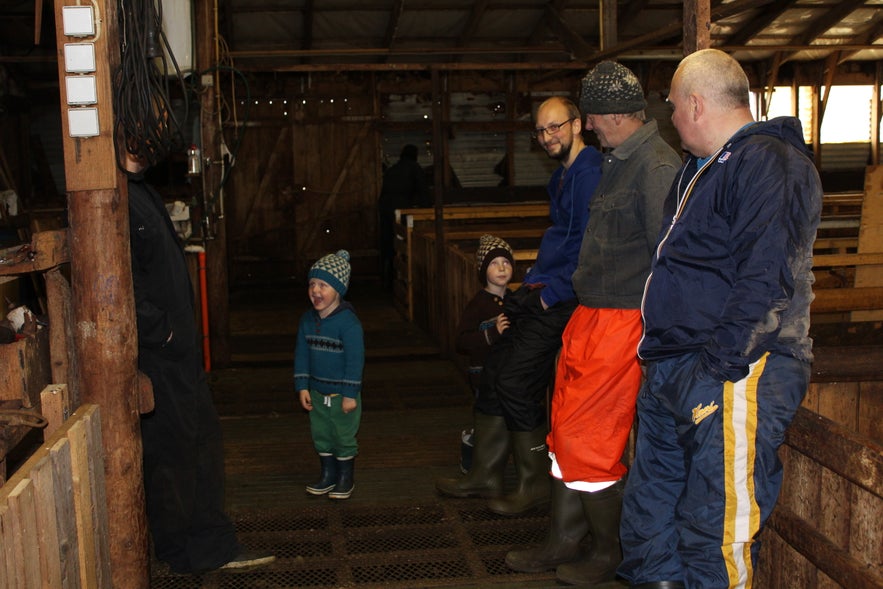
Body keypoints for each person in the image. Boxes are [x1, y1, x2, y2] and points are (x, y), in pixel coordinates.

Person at [612, 49, 822, 589]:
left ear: (696, 104)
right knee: (652, 508)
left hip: (730, 368)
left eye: (673, 108)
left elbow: (766, 276)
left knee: (715, 519)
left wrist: (718, 366)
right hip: (671, 361)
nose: (671, 120)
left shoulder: (768, 163)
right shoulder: (698, 171)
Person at [505, 62, 682, 586]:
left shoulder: (654, 167)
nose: (589, 127)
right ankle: (564, 538)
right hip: (591, 312)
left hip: (623, 319)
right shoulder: (616, 161)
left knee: (592, 438)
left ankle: (609, 550)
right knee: (564, 428)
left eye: (591, 117)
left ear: (611, 116)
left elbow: (666, 258)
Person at [436, 96, 602, 516]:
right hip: (544, 287)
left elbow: (587, 245)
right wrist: (531, 284)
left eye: (555, 127)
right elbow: (561, 240)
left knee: (514, 377)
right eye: (542, 131)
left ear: (578, 124)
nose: (548, 137)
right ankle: (485, 473)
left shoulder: (589, 174)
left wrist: (548, 294)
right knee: (494, 368)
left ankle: (534, 483)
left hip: (564, 297)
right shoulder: (562, 178)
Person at [125, 149, 276, 574]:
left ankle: (203, 543)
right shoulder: (117, 198)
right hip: (160, 355)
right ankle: (189, 551)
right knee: (176, 451)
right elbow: (123, 282)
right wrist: (163, 332)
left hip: (176, 352)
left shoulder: (142, 191)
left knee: (200, 444)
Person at [295, 250, 365, 500]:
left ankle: (345, 478)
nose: (315, 290)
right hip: (317, 392)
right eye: (312, 284)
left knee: (343, 436)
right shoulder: (306, 321)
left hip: (341, 395)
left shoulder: (349, 324)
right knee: (321, 434)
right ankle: (327, 474)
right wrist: (302, 386)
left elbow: (355, 362)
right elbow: (302, 355)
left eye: (323, 285)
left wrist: (349, 394)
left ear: (338, 289)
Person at [453, 234, 515, 473]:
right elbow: (461, 341)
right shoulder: (478, 304)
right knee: (487, 415)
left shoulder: (514, 300)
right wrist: (492, 333)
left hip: (507, 373)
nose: (502, 268)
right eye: (494, 263)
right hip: (483, 373)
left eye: (506, 262)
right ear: (482, 271)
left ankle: (493, 461)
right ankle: (473, 457)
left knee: (503, 417)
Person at [378, 144, 430, 289]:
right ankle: (401, 283)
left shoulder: (392, 170)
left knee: (389, 243)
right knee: (403, 244)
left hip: (386, 211)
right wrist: (427, 211)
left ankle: (388, 281)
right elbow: (423, 192)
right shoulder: (414, 168)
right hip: (401, 212)